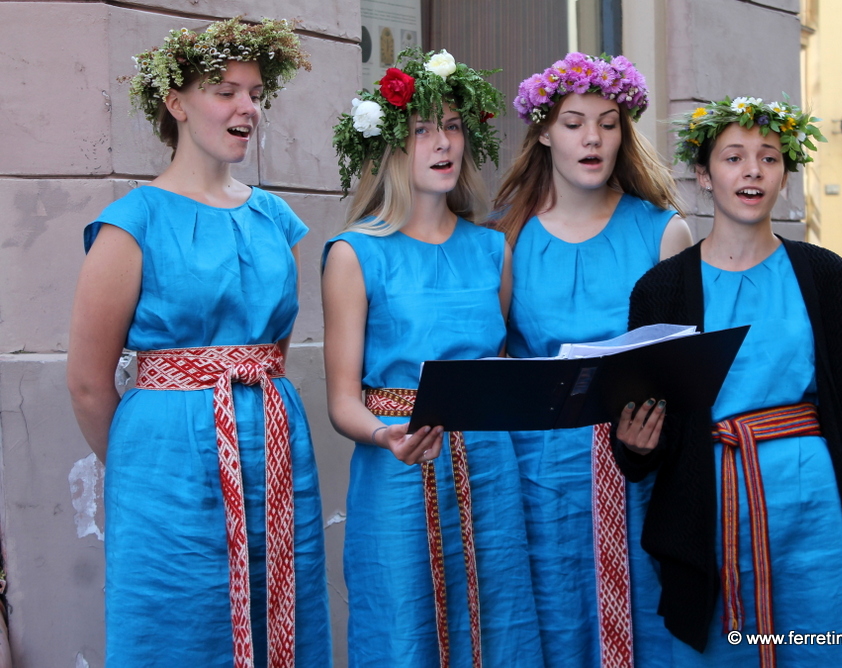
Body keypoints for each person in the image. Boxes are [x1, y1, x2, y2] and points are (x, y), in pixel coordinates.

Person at [615, 95, 842, 667]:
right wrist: (634, 445)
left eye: (769, 157)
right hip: (710, 510)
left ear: (784, 175)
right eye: (733, 157)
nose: (752, 170)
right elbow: (641, 436)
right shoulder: (659, 290)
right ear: (704, 175)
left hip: (816, 511)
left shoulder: (823, 275)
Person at [66, 18, 332, 667]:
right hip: (167, 468)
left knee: (281, 614)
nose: (247, 107)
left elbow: (269, 349)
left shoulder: (274, 219)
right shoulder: (133, 223)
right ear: (176, 102)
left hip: (272, 450)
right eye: (226, 91)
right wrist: (146, 462)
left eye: (255, 93)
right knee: (177, 621)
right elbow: (86, 381)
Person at [324, 48, 543, 667]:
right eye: (423, 130)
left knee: (498, 625)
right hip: (397, 465)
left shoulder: (492, 250)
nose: (443, 143)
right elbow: (342, 400)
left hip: (491, 467)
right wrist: (386, 434)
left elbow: (499, 364)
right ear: (393, 148)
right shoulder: (353, 254)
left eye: (452, 127)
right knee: (402, 624)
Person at [492, 52, 693, 667]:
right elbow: (492, 358)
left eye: (608, 123)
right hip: (536, 472)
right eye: (575, 121)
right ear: (544, 132)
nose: (593, 138)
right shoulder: (505, 236)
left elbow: (685, 368)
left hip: (637, 466)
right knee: (549, 616)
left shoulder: (664, 231)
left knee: (645, 622)